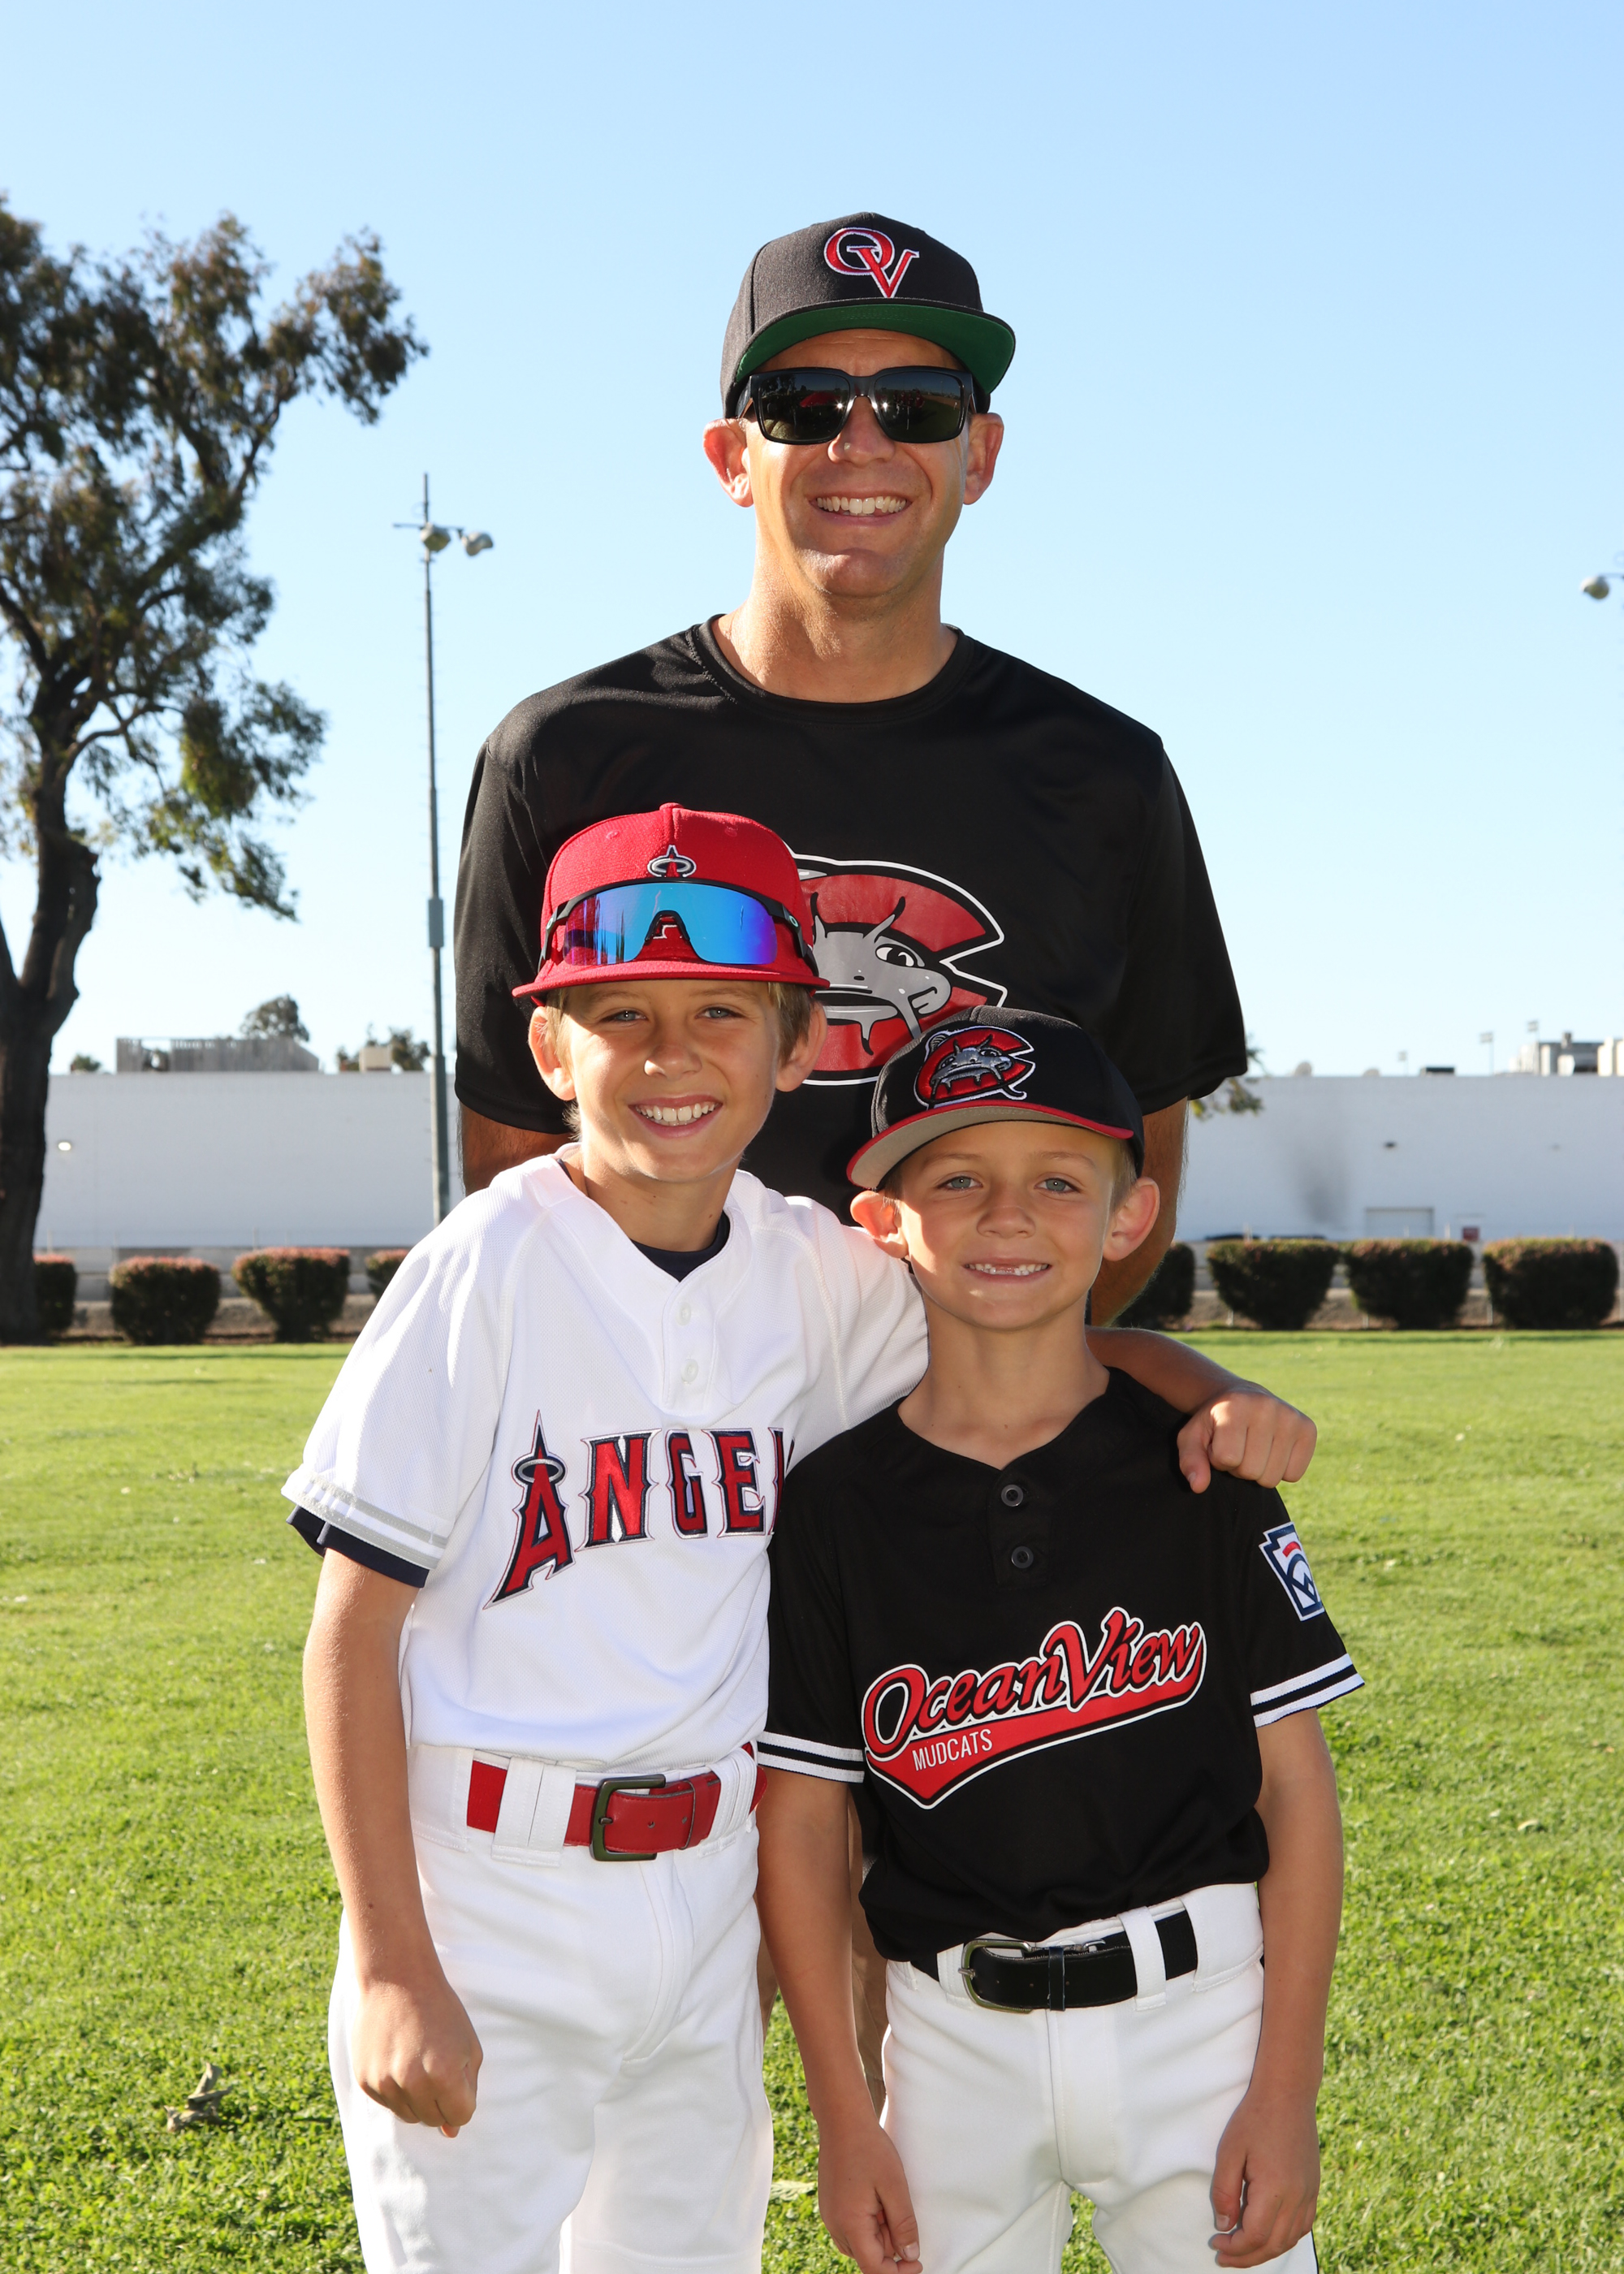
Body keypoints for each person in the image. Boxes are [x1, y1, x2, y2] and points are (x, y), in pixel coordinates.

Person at [288, 811, 1300, 2274]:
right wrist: (391, 1960)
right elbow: (352, 1630)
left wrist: (1207, 1389)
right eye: (621, 1017)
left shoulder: (812, 1272)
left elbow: (1025, 1335)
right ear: (552, 1051)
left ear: (798, 1045)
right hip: (488, 1885)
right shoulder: (482, 1268)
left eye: (721, 1013)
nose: (672, 1055)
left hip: (709, 1899)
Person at [454, 209, 1246, 1329]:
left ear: (980, 455)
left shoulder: (1107, 774)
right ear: (734, 458)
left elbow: (1135, 1176)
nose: (861, 444)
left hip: (965, 1420)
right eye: (804, 403)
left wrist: (974, 1394)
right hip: (668, 1417)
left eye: (918, 406)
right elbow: (515, 1167)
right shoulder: (562, 757)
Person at [757, 1009, 1362, 2274]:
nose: (1009, 1216)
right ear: (885, 1222)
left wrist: (1287, 2091)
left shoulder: (1203, 1470)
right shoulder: (833, 1508)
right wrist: (843, 2115)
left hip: (1200, 2019)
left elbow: (1298, 1793)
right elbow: (803, 1830)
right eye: (957, 1181)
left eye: (1059, 1182)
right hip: (947, 2043)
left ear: (1129, 1218)